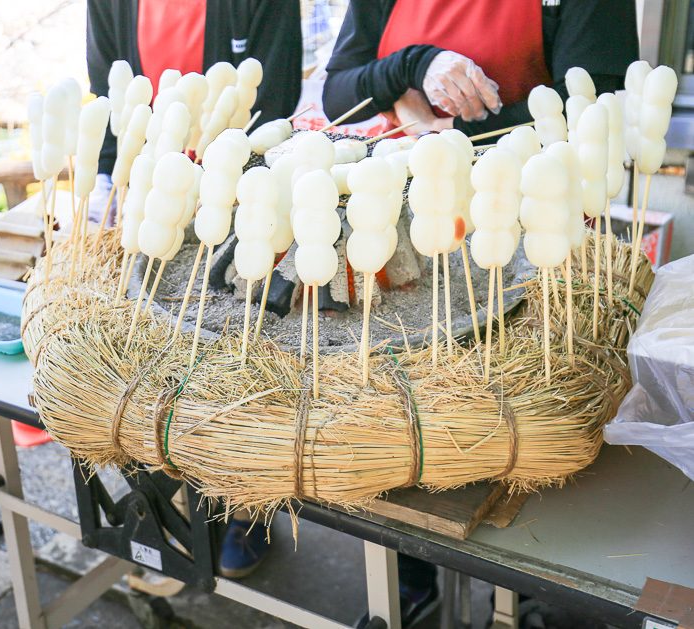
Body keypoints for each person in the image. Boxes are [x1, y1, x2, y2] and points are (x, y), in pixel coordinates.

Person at [323, 2, 638, 625]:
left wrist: (439, 138)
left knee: (508, 441)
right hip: (402, 245)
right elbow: (340, 90)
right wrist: (410, 68)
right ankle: (409, 583)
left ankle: (521, 594)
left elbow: (595, 113)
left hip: (529, 246)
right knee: (398, 420)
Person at [85, 0, 303, 578]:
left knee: (233, 346)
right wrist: (111, 176)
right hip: (149, 195)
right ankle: (163, 504)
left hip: (235, 190)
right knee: (153, 348)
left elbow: (275, 91)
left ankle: (245, 504)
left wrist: (225, 173)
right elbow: (107, 83)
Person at [85, 0, 302, 223]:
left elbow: (271, 100)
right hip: (138, 198)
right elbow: (108, 91)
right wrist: (105, 179)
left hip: (237, 195)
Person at [322, 0, 639, 138]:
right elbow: (338, 99)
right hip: (395, 204)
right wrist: (410, 66)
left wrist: (443, 132)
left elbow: (583, 107)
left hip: (533, 212)